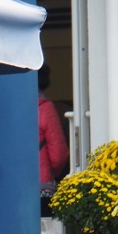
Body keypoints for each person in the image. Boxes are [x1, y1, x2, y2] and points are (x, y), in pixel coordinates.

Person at [38, 64, 69, 203]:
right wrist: (52, 173)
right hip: (42, 185)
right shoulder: (45, 108)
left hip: (13, 186)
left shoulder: (10, 108)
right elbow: (59, 154)